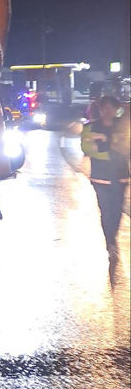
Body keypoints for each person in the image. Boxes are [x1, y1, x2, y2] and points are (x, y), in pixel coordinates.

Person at [81, 96, 130, 263]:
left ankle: (112, 239)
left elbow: (125, 147)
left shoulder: (123, 126)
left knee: (117, 212)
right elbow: (87, 148)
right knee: (105, 211)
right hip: (100, 178)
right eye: (105, 108)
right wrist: (110, 147)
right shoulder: (90, 127)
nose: (108, 111)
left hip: (121, 177)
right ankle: (110, 242)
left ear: (117, 109)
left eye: (111, 108)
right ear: (100, 109)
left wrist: (103, 142)